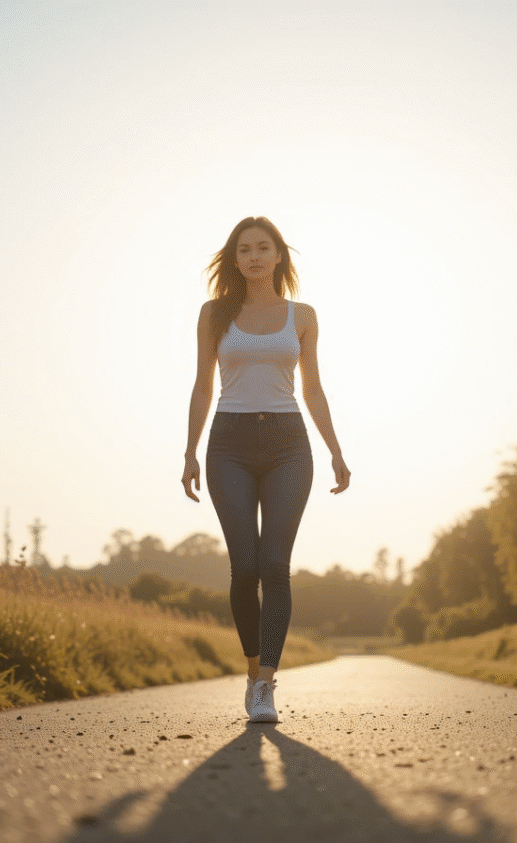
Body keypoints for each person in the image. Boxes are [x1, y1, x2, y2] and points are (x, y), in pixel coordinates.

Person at [182, 216, 350, 723]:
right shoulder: (214, 313)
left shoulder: (302, 315)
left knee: (276, 565)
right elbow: (202, 385)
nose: (254, 256)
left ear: (279, 256)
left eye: (263, 247)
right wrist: (190, 451)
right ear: (234, 260)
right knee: (245, 565)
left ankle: (266, 685)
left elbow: (313, 388)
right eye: (244, 250)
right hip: (228, 443)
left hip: (288, 445)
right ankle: (252, 670)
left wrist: (336, 451)